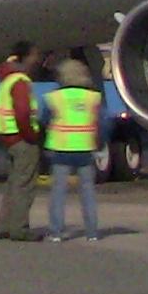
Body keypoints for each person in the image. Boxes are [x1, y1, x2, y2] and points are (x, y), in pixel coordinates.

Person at [44, 58, 103, 242]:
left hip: (61, 148)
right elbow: (103, 122)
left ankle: (56, 232)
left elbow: (44, 119)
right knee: (87, 192)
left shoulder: (54, 97)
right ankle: (92, 232)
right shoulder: (93, 97)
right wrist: (99, 142)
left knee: (58, 193)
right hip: (85, 148)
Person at [0, 41, 44, 241]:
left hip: (7, 137)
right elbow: (22, 113)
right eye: (34, 56)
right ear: (25, 57)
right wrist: (31, 136)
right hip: (21, 139)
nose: (36, 60)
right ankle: (19, 228)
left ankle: (4, 226)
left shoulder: (6, 80)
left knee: (13, 184)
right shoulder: (20, 82)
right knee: (24, 185)